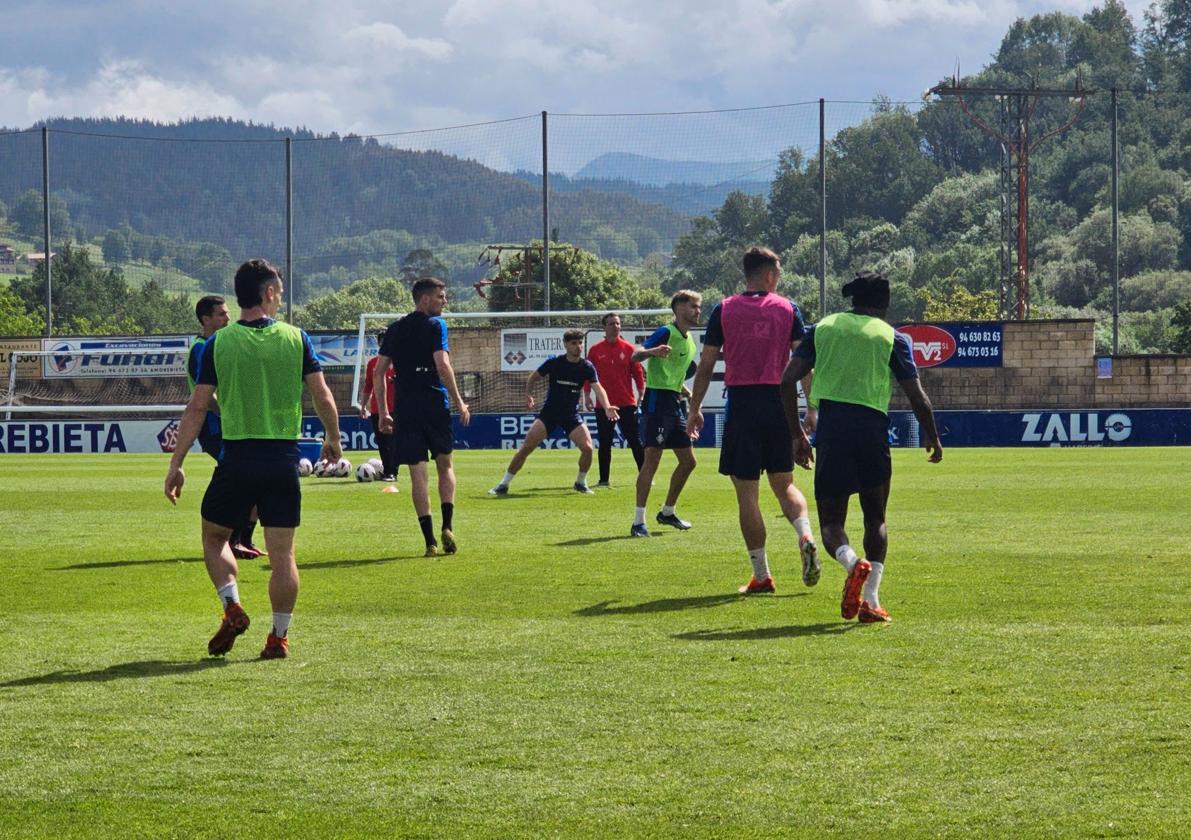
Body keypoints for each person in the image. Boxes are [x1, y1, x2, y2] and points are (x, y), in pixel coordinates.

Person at [165, 259, 342, 660]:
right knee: (283, 555)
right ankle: (279, 637)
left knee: (214, 537)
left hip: (238, 457)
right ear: (268, 292)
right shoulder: (297, 338)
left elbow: (197, 407)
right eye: (278, 289)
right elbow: (322, 394)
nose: (280, 296)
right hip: (283, 458)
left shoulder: (218, 343)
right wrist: (333, 438)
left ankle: (232, 605)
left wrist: (176, 463)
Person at [780, 270, 943, 623]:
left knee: (831, 524)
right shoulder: (891, 337)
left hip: (833, 430)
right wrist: (932, 435)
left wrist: (797, 435)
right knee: (876, 518)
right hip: (872, 432)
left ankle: (853, 563)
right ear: (884, 303)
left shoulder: (823, 328)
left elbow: (787, 380)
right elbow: (917, 397)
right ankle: (871, 600)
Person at [687, 246, 819, 594]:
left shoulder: (724, 310)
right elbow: (803, 363)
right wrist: (812, 407)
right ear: (769, 275)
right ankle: (805, 533)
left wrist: (694, 408)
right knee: (785, 484)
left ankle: (761, 575)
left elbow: (706, 365)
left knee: (747, 495)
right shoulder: (788, 308)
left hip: (743, 405)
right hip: (780, 403)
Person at [374, 277, 471, 557]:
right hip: (432, 400)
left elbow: (379, 372)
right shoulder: (436, 325)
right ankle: (448, 525)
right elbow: (442, 364)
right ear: (425, 299)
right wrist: (460, 402)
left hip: (405, 404)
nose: (445, 301)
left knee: (417, 474)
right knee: (445, 464)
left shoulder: (395, 328)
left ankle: (429, 542)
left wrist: (385, 412)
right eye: (441, 296)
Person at [490, 330, 620, 495]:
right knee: (526, 448)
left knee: (588, 448)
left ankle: (580, 482)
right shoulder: (554, 362)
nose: (578, 346)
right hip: (549, 414)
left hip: (571, 416)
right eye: (574, 343)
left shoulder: (586, 367)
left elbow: (598, 388)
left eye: (580, 343)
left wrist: (607, 406)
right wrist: (528, 394)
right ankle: (503, 484)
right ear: (565, 344)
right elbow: (533, 377)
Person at [186, 295, 262, 560]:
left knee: (254, 480)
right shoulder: (200, 349)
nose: (227, 318)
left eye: (228, 313)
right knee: (242, 480)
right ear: (205, 319)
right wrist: (230, 415)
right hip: (216, 428)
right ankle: (232, 540)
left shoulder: (222, 344)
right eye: (221, 314)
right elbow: (206, 395)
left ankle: (242, 539)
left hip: (232, 427)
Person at [630, 290, 701, 537]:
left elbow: (673, 372)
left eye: (698, 307)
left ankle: (667, 512)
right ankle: (638, 521)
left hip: (674, 402)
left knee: (689, 461)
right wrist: (652, 352)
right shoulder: (665, 332)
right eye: (694, 306)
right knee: (652, 460)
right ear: (679, 308)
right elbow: (635, 355)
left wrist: (686, 391)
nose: (698, 311)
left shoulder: (690, 340)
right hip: (656, 402)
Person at [584, 312, 646, 487]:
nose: (615, 326)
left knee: (634, 440)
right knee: (605, 442)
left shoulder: (628, 348)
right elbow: (588, 375)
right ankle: (604, 480)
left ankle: (645, 476)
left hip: (626, 403)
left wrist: (641, 391)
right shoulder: (595, 350)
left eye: (617, 323)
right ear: (604, 327)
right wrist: (587, 395)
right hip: (603, 405)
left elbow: (638, 373)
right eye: (611, 323)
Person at [360, 334, 399, 483]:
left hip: (397, 409)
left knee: (394, 442)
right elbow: (368, 387)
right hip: (378, 409)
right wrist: (363, 406)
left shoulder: (400, 362)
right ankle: (389, 471)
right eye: (383, 342)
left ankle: (392, 471)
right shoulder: (373, 364)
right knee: (383, 442)